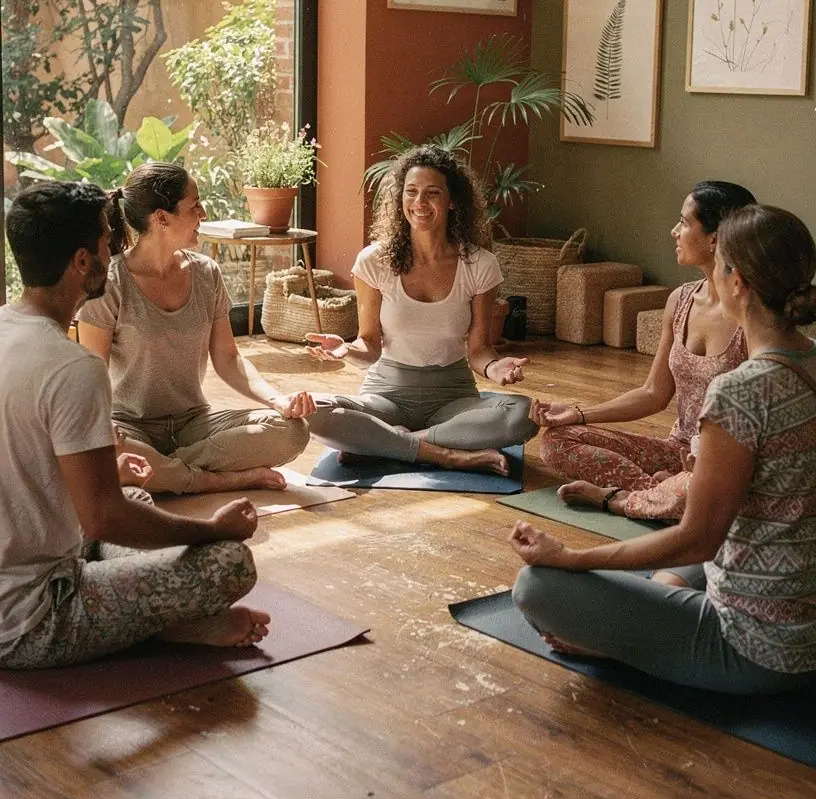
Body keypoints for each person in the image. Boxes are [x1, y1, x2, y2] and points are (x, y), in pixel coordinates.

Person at [510, 203, 816, 694]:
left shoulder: (743, 390)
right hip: (797, 610)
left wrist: (571, 558)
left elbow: (699, 539)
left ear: (737, 283)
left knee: (536, 587)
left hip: (759, 650)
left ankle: (631, 640)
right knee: (677, 570)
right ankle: (648, 620)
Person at [0, 181, 271, 670]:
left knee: (138, 497)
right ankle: (170, 625)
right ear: (83, 261)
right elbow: (103, 518)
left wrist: (111, 475)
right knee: (228, 562)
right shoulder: (73, 367)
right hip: (31, 616)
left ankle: (156, 616)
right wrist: (209, 529)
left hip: (28, 559)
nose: (116, 249)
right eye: (108, 240)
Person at [77, 163, 315, 496]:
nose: (203, 212)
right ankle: (216, 479)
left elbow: (228, 358)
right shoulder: (110, 283)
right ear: (162, 218)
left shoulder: (206, 273)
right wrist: (104, 429)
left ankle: (163, 472)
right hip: (130, 427)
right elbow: (92, 373)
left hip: (194, 425)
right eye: (194, 206)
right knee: (108, 451)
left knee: (292, 432)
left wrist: (277, 400)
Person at [305, 146, 544, 475]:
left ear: (452, 200)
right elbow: (369, 345)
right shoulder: (375, 262)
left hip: (452, 397)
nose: (419, 203)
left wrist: (495, 368)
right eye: (411, 192)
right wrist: (347, 350)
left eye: (432, 193)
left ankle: (387, 445)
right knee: (309, 409)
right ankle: (446, 454)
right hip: (386, 395)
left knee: (524, 413)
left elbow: (478, 350)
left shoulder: (479, 265)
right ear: (400, 197)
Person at [538, 181, 755, 520]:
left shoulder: (753, 316)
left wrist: (698, 468)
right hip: (678, 451)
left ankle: (654, 497)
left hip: (724, 462)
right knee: (557, 441)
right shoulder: (680, 300)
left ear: (716, 238)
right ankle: (660, 495)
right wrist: (579, 414)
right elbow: (654, 393)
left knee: (720, 488)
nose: (674, 231)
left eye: (684, 222)